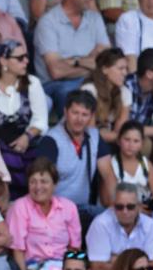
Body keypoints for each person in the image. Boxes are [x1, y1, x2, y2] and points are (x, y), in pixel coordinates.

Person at [8, 158, 83, 270]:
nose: (38, 187)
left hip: (64, 269)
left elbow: (75, 248)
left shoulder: (69, 207)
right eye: (33, 181)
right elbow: (17, 250)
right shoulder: (20, 207)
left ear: (54, 184)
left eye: (44, 181)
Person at [34, 0, 109, 114]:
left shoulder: (95, 18)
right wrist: (92, 63)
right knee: (74, 93)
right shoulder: (48, 23)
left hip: (90, 79)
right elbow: (56, 71)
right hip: (56, 85)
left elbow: (107, 61)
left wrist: (74, 61)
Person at [0, 40, 47, 192]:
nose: (26, 61)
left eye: (26, 56)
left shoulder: (32, 83)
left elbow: (41, 120)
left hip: (27, 149)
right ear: (3, 61)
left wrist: (27, 137)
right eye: (20, 58)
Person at [36, 91, 103, 225]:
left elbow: (108, 175)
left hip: (85, 210)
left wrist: (115, 206)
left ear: (91, 117)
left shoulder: (95, 136)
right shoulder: (51, 140)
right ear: (65, 112)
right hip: (57, 211)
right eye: (75, 113)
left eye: (84, 114)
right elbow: (42, 183)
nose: (79, 119)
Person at [85, 182, 153, 270]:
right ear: (113, 206)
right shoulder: (101, 223)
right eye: (119, 207)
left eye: (130, 207)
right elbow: (97, 266)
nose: (125, 212)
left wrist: (117, 260)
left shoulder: (149, 223)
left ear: (139, 206)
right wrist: (138, 264)